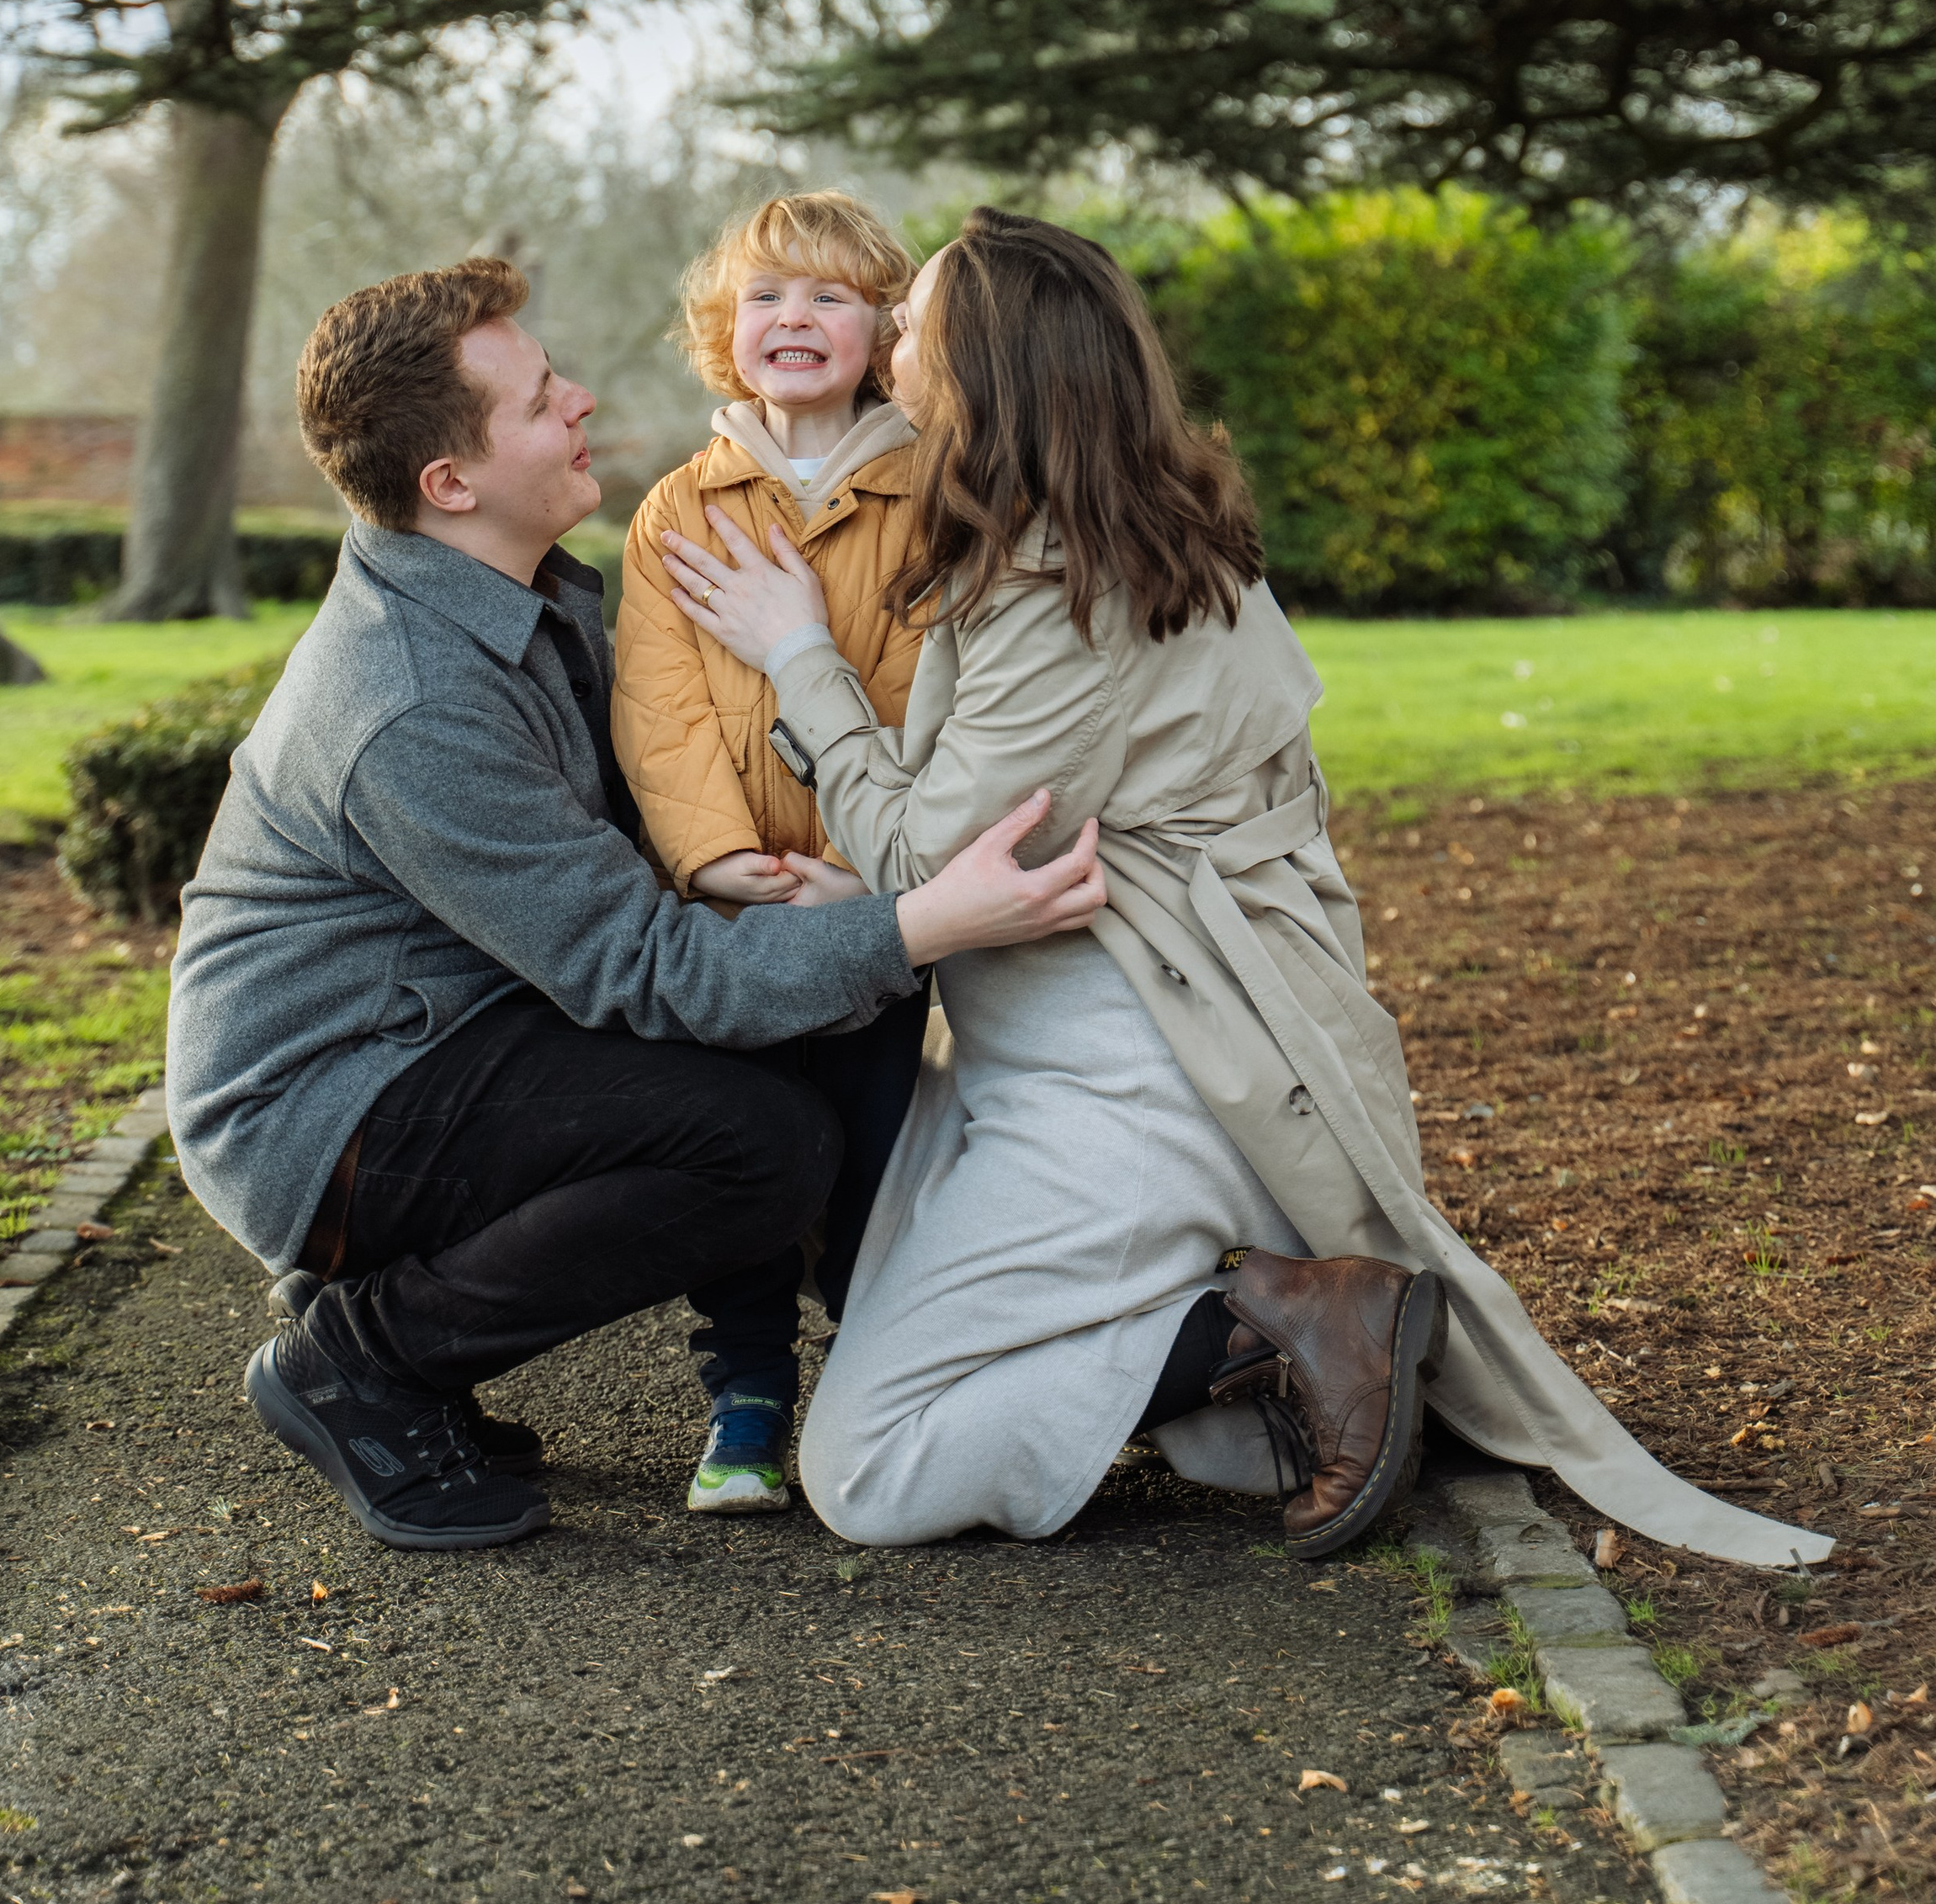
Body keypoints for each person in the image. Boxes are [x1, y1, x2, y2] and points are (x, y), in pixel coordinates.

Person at [661, 208, 1833, 1571]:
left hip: (1135, 1079)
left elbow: (936, 864)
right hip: (1109, 1045)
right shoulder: (1107, 531)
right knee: (938, 1298)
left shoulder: (1065, 587)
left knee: (871, 1467)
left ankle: (1275, 1325)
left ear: (987, 371)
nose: (893, 344)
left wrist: (798, 652)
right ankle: (1251, 1335)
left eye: (915, 323)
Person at [163, 252, 1106, 1555]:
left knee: (761, 1102)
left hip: (437, 1033)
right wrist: (925, 922)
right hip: (333, 1107)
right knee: (755, 1146)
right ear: (452, 484)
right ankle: (364, 1356)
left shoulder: (515, 602)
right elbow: (649, 970)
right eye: (544, 397)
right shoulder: (412, 700)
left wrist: (831, 842)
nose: (584, 402)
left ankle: (412, 1333)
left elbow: (660, 825)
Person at [613, 191, 929, 1516]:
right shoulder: (680, 508)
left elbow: (934, 698)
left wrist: (881, 866)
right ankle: (744, 1385)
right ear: (722, 331)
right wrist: (716, 863)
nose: (792, 318)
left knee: (872, 1155)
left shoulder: (933, 500)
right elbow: (660, 713)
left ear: (885, 334)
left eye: (831, 297)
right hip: (742, 917)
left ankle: (875, 1375)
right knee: (742, 1152)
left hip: (876, 902)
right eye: (764, 296)